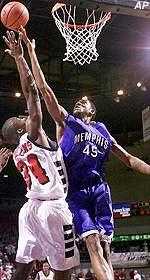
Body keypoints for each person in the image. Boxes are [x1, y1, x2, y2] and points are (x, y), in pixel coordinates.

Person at [20, 27, 150, 280]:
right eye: (77, 101)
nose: (79, 102)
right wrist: (31, 52)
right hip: (76, 193)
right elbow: (45, 91)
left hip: (100, 190)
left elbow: (130, 159)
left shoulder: (102, 131)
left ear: (92, 110)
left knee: (105, 247)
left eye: (84, 101)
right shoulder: (66, 123)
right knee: (91, 244)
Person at [2, 30, 79, 280]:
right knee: (62, 268)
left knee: (23, 266)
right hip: (53, 208)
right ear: (21, 130)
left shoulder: (16, 155)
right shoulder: (32, 135)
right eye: (21, 119)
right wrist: (19, 58)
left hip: (30, 209)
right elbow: (32, 92)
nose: (25, 116)